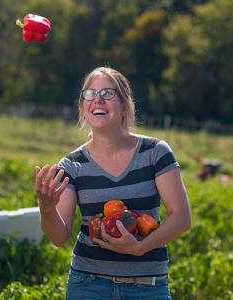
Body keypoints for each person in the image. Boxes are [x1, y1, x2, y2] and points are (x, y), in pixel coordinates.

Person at [35, 67, 191, 299]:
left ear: (125, 105)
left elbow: (181, 217)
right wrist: (46, 208)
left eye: (108, 93)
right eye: (90, 93)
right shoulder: (72, 165)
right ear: (82, 107)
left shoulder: (154, 153)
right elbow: (59, 237)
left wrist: (140, 248)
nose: (97, 99)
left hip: (147, 287)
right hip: (88, 285)